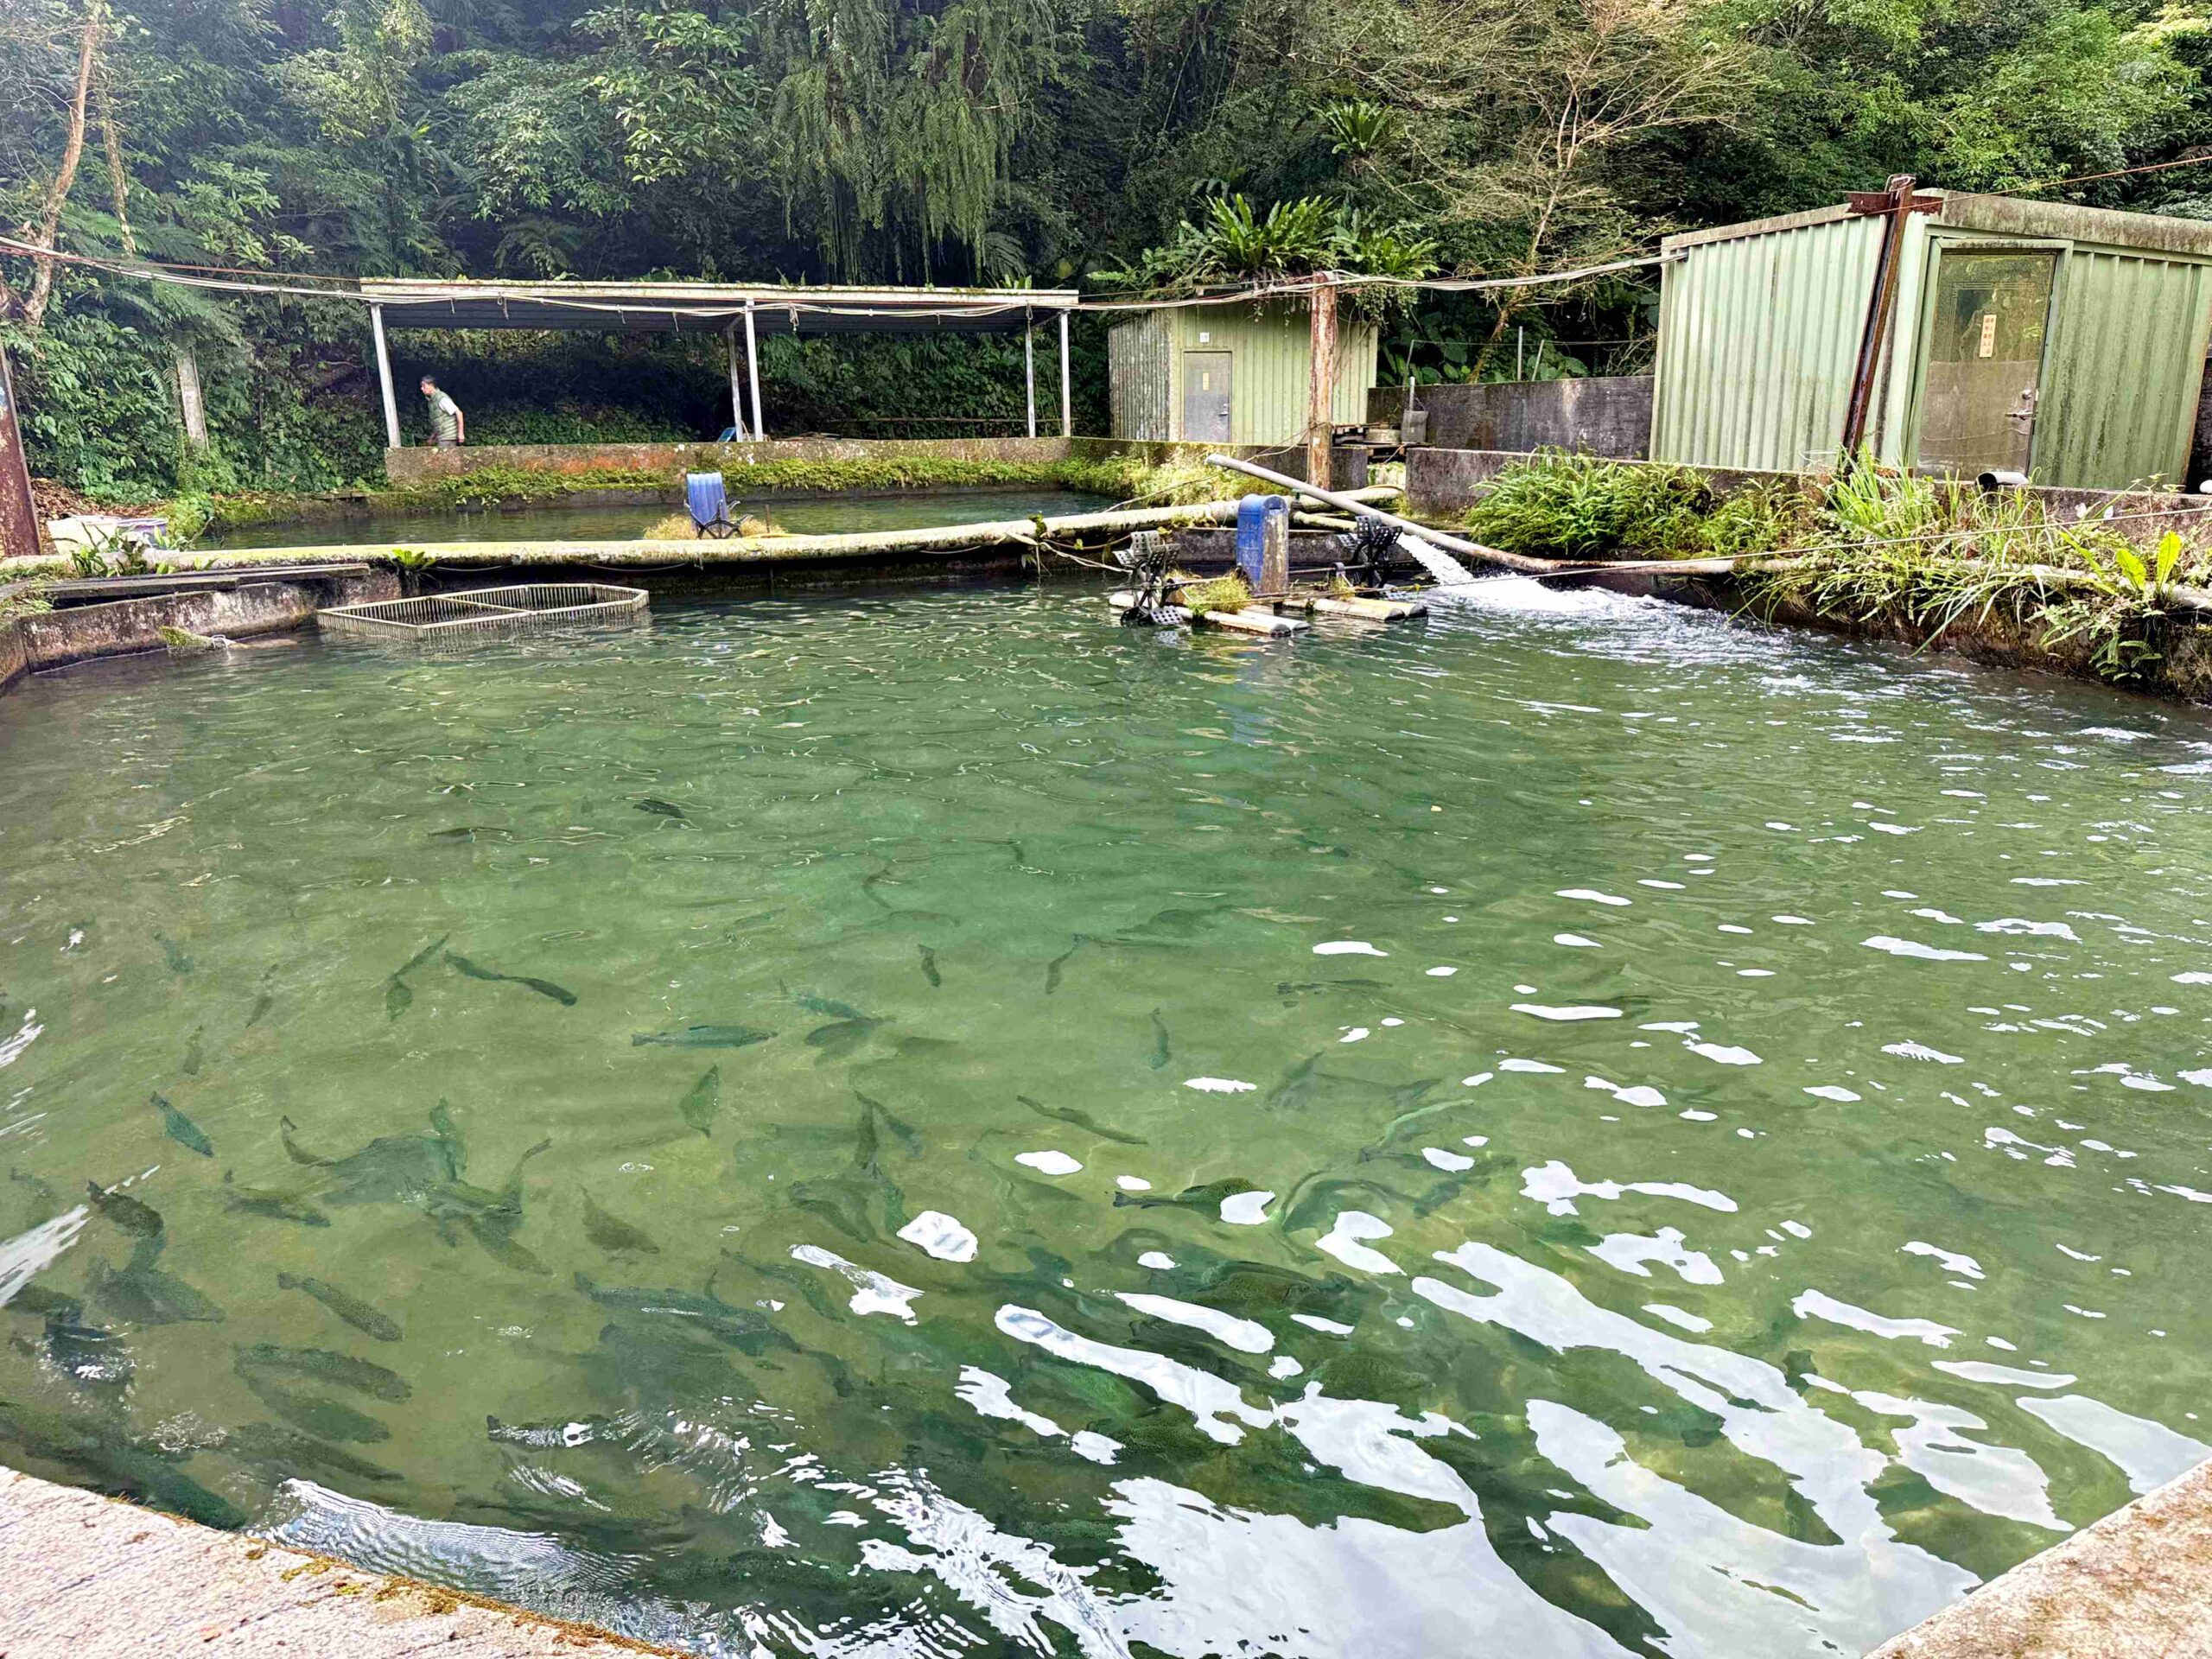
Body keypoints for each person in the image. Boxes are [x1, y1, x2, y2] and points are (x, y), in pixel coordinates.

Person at [420, 376, 465, 448]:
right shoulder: (432, 401)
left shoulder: (442, 399)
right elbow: (439, 420)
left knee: (444, 458)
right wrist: (433, 436)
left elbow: (459, 413)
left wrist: (461, 433)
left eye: (424, 386)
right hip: (443, 437)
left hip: (448, 437)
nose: (422, 389)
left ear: (431, 386)